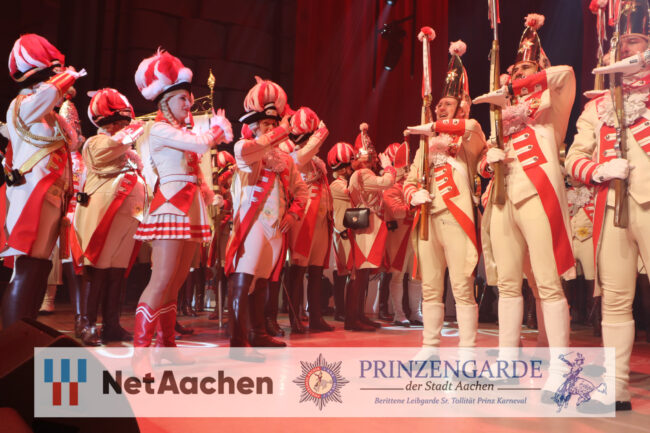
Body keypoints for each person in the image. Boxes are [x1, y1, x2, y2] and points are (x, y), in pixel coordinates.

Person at [472, 14, 576, 351]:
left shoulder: (550, 105)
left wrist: (513, 87)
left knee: (547, 280)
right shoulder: (502, 118)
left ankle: (560, 363)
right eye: (515, 71)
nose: (519, 74)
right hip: (503, 199)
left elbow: (566, 73)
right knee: (507, 284)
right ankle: (508, 358)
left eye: (526, 70)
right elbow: (482, 164)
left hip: (537, 194)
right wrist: (488, 160)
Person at [565, 0, 650, 410]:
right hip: (611, 210)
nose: (627, 48)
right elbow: (573, 158)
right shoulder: (595, 106)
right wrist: (598, 170)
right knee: (615, 300)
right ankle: (616, 387)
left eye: (636, 41)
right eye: (622, 42)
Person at [132, 50, 232, 348]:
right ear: (165, 101)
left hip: (189, 206)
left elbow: (195, 167)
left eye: (189, 99)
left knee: (175, 282)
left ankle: (166, 343)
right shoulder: (159, 129)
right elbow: (200, 144)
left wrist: (210, 194)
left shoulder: (176, 131)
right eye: (182, 99)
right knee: (162, 279)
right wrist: (217, 129)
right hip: (171, 206)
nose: (188, 104)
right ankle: (141, 350)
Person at [406, 40, 487, 347]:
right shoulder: (425, 145)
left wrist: (432, 125)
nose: (440, 107)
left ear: (461, 107)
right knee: (430, 287)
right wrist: (414, 194)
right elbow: (411, 179)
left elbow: (472, 128)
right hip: (428, 218)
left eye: (447, 104)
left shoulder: (467, 135)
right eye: (438, 104)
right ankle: (430, 346)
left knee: (462, 286)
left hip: (456, 216)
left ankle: (468, 348)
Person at [1, 34, 85, 328]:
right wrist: (66, 76)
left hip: (54, 195)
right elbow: (48, 94)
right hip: (31, 194)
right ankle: (12, 339)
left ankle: (27, 332)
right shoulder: (23, 104)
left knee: (40, 266)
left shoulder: (51, 114)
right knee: (27, 265)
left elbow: (73, 141)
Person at [224, 77, 308, 351]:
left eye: (274, 123)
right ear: (253, 127)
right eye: (265, 124)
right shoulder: (243, 149)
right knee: (244, 276)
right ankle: (238, 341)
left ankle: (257, 332)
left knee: (262, 281)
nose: (271, 128)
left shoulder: (285, 160)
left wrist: (293, 215)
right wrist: (282, 130)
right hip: (253, 223)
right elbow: (255, 149)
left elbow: (302, 192)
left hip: (276, 226)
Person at [71, 88, 146, 345]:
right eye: (120, 122)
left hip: (129, 216)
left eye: (126, 122)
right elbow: (110, 149)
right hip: (104, 215)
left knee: (117, 271)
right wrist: (132, 131)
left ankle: (111, 325)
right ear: (108, 123)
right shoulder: (95, 143)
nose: (124, 126)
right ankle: (88, 324)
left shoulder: (127, 151)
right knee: (97, 268)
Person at [282, 107, 332, 333]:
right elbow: (307, 151)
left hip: (321, 220)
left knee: (316, 270)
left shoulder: (316, 161)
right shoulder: (295, 157)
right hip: (304, 219)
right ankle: (295, 318)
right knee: (298, 268)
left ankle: (316, 317)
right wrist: (320, 133)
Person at [346, 123, 396, 331]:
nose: (375, 159)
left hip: (370, 224)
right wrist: (389, 167)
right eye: (371, 155)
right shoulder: (363, 174)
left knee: (365, 274)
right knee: (360, 273)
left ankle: (359, 315)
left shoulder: (363, 174)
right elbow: (387, 182)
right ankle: (353, 318)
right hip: (366, 225)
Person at [382, 138, 418, 327]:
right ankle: (399, 313)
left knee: (416, 276)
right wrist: (415, 205)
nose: (406, 168)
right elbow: (397, 211)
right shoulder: (390, 187)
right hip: (398, 236)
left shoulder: (413, 184)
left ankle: (416, 312)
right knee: (397, 275)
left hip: (415, 234)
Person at [327, 142, 356, 322]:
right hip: (342, 232)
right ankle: (340, 310)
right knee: (342, 272)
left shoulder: (343, 183)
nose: (351, 169)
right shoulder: (337, 186)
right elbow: (353, 193)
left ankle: (347, 309)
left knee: (348, 273)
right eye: (349, 166)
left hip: (350, 231)